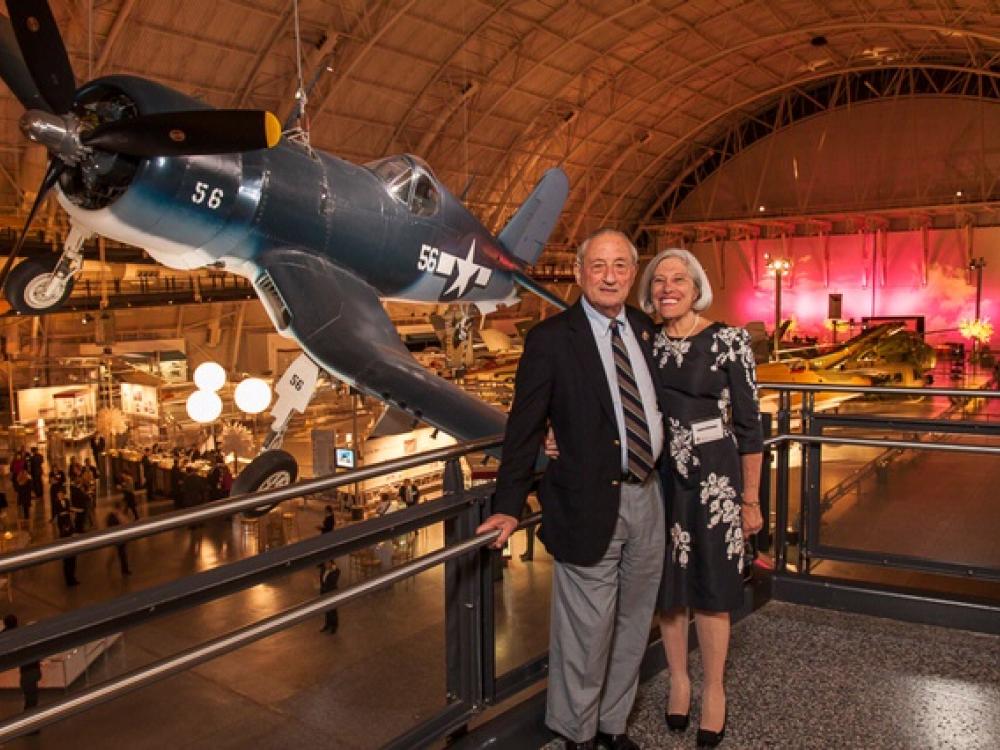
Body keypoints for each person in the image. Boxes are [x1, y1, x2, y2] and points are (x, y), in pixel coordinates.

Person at [477, 229, 665, 750]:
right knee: (585, 631)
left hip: (649, 497)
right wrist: (508, 507)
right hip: (586, 503)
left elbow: (651, 408)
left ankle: (613, 725)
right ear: (580, 272)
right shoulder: (552, 339)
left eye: (621, 266)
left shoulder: (646, 329)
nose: (610, 276)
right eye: (598, 265)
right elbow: (524, 427)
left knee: (633, 623)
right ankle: (577, 733)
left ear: (632, 273)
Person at [638, 247, 763, 747]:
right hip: (664, 475)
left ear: (696, 288)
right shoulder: (646, 343)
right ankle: (679, 682)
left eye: (678, 279)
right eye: (659, 280)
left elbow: (751, 428)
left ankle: (714, 689)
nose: (668, 287)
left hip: (716, 479)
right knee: (671, 590)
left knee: (712, 589)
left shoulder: (728, 341)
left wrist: (750, 500)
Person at [2, 614, 42, 721]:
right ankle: (31, 722)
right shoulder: (23, 634)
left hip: (28, 672)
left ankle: (29, 722)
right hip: (32, 671)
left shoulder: (9, 636)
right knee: (32, 698)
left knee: (30, 698)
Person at [53, 487, 79, 586]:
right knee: (68, 563)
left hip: (67, 522)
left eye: (61, 494)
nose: (60, 496)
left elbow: (69, 509)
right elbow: (56, 512)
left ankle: (72, 579)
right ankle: (69, 580)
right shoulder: (56, 503)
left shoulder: (67, 501)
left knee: (71, 563)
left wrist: (71, 512)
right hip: (62, 523)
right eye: (58, 495)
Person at [105, 501, 131, 576]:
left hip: (117, 537)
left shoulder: (112, 514)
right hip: (119, 537)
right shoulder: (117, 514)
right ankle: (124, 570)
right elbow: (126, 522)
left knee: (116, 553)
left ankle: (110, 565)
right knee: (121, 554)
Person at [318, 560, 340, 634]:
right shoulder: (323, 569)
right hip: (324, 592)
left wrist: (332, 570)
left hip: (331, 593)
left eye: (328, 563)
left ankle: (334, 626)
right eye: (325, 563)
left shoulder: (336, 571)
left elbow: (333, 581)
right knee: (326, 610)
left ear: (331, 563)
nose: (326, 564)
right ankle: (327, 624)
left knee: (333, 610)